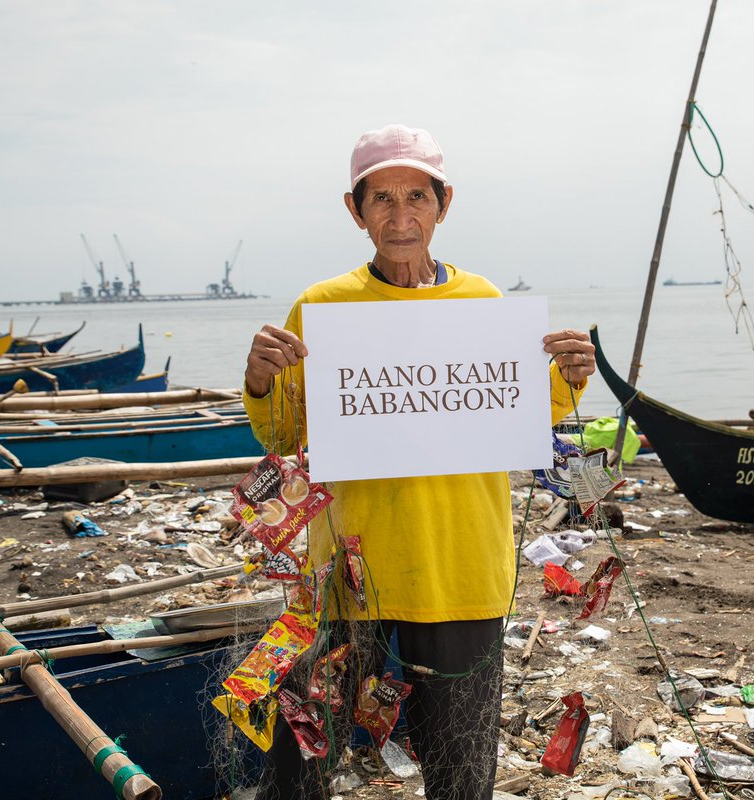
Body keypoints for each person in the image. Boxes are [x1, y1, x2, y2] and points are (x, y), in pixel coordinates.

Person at [242, 123, 595, 799]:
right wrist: (260, 379)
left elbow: (528, 412)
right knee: (301, 759)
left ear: (443, 204)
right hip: (347, 575)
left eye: (416, 198)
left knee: (460, 771)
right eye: (381, 200)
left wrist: (573, 373)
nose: (400, 218)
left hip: (460, 570)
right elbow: (284, 435)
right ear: (356, 210)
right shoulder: (321, 307)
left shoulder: (485, 303)